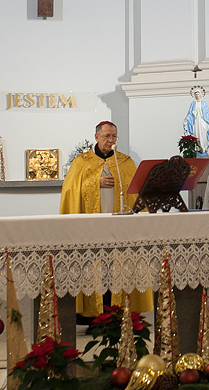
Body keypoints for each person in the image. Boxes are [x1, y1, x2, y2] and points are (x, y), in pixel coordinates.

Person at [59, 121, 152, 318]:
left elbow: (137, 193)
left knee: (118, 268)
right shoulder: (81, 162)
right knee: (94, 269)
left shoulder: (125, 162)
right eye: (107, 136)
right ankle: (92, 315)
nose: (110, 141)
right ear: (96, 137)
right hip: (91, 228)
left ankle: (121, 312)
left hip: (120, 228)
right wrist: (95, 183)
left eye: (114, 137)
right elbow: (69, 191)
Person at [183, 85, 209, 154]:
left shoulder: (203, 103)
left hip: (202, 120)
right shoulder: (193, 103)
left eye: (198, 94)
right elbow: (189, 114)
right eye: (196, 94)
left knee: (203, 133)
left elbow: (207, 113)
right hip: (195, 121)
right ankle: (197, 148)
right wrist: (187, 120)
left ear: (200, 95)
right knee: (196, 134)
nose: (197, 96)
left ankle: (203, 147)